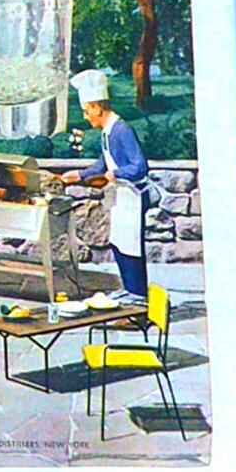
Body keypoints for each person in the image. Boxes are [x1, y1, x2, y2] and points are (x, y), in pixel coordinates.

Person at [61, 69, 154, 306]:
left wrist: (117, 173)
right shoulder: (107, 131)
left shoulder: (122, 130)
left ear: (97, 107)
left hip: (133, 195)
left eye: (86, 111)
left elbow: (140, 166)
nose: (85, 117)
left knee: (131, 244)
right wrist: (79, 175)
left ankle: (138, 295)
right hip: (121, 195)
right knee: (119, 242)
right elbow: (103, 163)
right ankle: (128, 288)